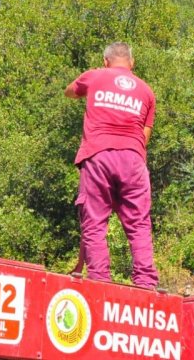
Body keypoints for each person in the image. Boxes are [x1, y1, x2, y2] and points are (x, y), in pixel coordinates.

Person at [65, 41, 158, 289]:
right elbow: (144, 135)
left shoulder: (95, 76)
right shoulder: (147, 92)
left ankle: (99, 283)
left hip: (98, 155)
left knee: (95, 221)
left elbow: (69, 91)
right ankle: (146, 284)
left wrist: (94, 80)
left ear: (106, 61)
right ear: (132, 63)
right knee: (138, 223)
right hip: (133, 159)